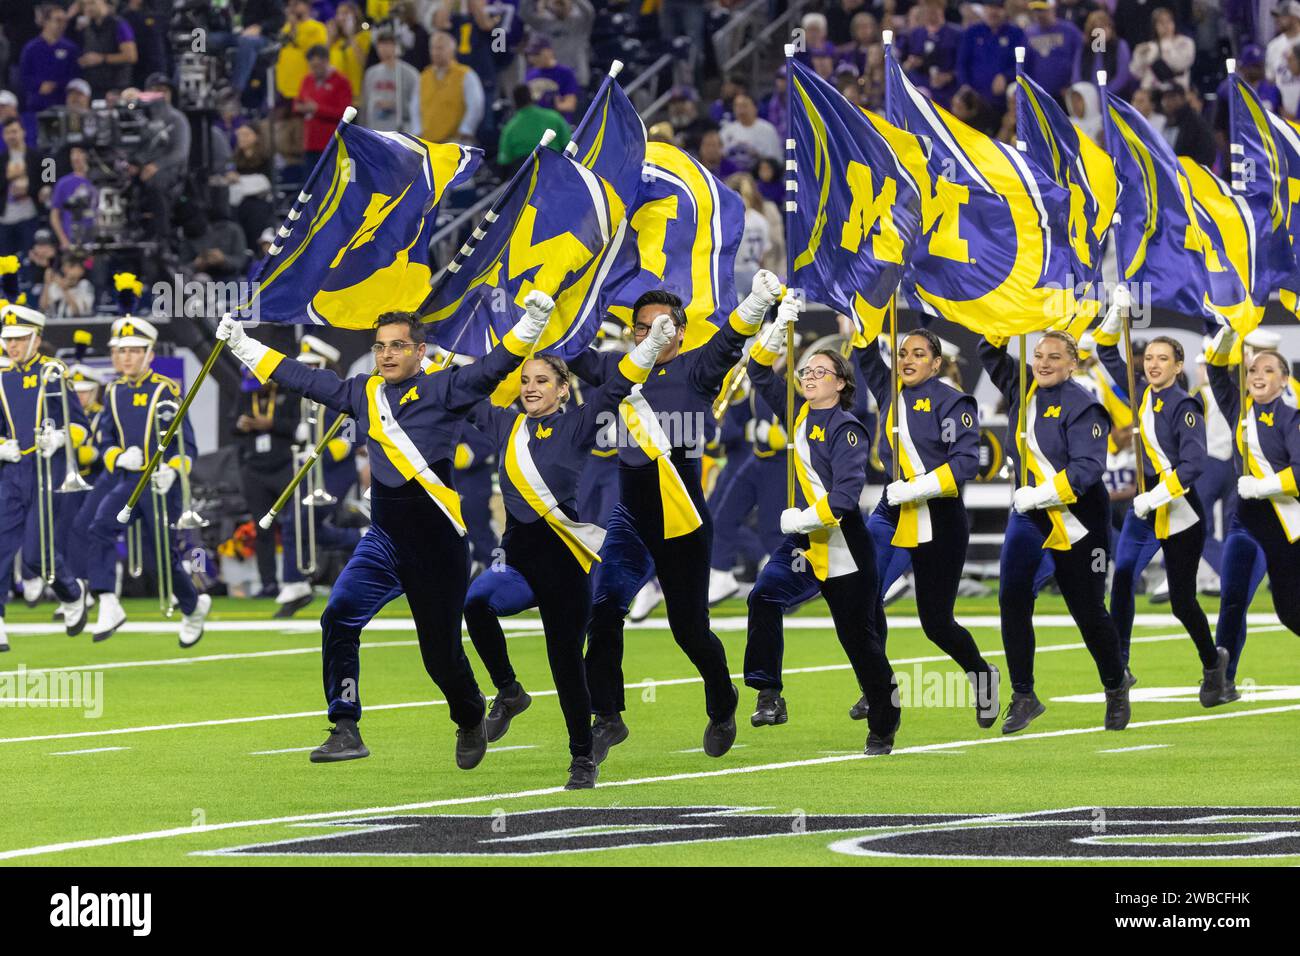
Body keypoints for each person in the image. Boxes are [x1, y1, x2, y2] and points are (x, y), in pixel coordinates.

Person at [215, 291, 555, 767]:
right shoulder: (363, 391)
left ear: (420, 351)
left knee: (439, 657)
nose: (386, 355)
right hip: (384, 540)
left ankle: (472, 712)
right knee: (337, 616)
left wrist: (532, 324)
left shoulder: (446, 387)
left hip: (436, 544)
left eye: (397, 346)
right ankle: (345, 724)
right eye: (379, 346)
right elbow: (305, 379)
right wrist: (243, 346)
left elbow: (492, 369)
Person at [570, 271, 783, 765]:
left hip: (681, 514)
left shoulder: (695, 369)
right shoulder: (615, 369)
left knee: (689, 630)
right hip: (629, 514)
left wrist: (754, 301)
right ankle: (609, 716)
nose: (650, 334)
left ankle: (722, 703)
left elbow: (731, 338)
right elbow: (570, 348)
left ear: (682, 332)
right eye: (641, 327)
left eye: (661, 325)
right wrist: (540, 303)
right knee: (603, 614)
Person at [462, 313, 676, 790]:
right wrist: (441, 353)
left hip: (566, 566)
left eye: (542, 381)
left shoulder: (579, 423)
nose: (531, 387)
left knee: (565, 664)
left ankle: (582, 758)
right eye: (525, 380)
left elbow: (618, 384)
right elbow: (465, 394)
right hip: (517, 563)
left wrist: (650, 345)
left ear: (562, 389)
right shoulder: (506, 426)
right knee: (476, 604)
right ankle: (510, 691)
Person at [742, 300, 902, 753]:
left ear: (841, 382)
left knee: (858, 639)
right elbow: (756, 372)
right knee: (763, 595)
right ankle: (768, 692)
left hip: (843, 542)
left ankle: (884, 722)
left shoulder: (847, 426)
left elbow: (846, 498)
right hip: (804, 541)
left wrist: (801, 517)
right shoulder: (796, 411)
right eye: (804, 371)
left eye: (819, 371)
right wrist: (777, 327)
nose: (808, 376)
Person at [978, 329, 1131, 734]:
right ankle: (1024, 694)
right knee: (1011, 596)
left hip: (1078, 518)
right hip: (1030, 515)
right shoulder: (1021, 385)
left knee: (1087, 609)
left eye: (1054, 357)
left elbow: (1087, 469)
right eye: (1039, 355)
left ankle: (1115, 686)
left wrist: (1041, 493)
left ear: (1073, 363)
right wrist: (1004, 318)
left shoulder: (1085, 406)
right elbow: (988, 352)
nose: (1043, 363)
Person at [855, 328, 1001, 728]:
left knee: (936, 623)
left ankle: (982, 674)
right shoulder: (889, 393)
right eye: (903, 352)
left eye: (919, 353)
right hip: (892, 509)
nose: (908, 359)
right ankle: (877, 686)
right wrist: (861, 311)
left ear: (937, 363)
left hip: (938, 514)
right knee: (863, 600)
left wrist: (919, 487)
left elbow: (966, 463)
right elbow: (864, 349)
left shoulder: (954, 402)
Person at [1093, 293, 1224, 702]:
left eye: (1162, 359)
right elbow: (1104, 350)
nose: (1152, 364)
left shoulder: (1185, 405)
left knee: (1182, 602)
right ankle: (1121, 665)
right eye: (1149, 357)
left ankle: (1211, 662)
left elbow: (1193, 466)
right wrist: (1116, 314)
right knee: (1125, 574)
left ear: (1178, 366)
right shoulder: (1141, 392)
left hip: (1180, 510)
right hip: (1145, 506)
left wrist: (1154, 498)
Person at [84, 313, 211, 646]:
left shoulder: (166, 390)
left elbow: (188, 445)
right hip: (127, 481)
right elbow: (104, 439)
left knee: (161, 558)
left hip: (159, 486)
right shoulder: (111, 392)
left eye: (134, 350)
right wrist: (116, 456)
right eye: (120, 351)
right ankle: (108, 602)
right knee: (99, 528)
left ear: (149, 354)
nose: (126, 357)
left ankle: (192, 606)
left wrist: (171, 469)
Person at [1206, 327, 1300, 701]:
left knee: (1290, 613)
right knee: (1232, 598)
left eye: (1269, 370)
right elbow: (1216, 370)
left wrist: (1263, 486)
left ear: (1284, 379)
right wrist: (1227, 334)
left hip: (1286, 524)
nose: (1259, 376)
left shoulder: (1292, 418)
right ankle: (1221, 679)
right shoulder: (1237, 409)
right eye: (1254, 369)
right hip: (1246, 522)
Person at [0, 301, 90, 652]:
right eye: (9, 339)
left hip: (46, 470)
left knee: (37, 556)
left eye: (20, 339)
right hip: (10, 472)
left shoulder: (54, 371)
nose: (13, 346)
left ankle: (71, 592)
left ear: (36, 339)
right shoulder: (1, 376)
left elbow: (80, 425)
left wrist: (61, 437)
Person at [275, 335, 362, 618]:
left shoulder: (342, 396)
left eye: (313, 367)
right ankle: (295, 583)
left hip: (336, 474)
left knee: (302, 521)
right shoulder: (308, 400)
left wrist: (319, 451)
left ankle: (296, 582)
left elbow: (351, 438)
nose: (306, 373)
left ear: (326, 366)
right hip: (313, 472)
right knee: (297, 523)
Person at [411, 31, 484, 144]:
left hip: (455, 141)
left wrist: (466, 129)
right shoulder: (424, 76)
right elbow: (414, 107)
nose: (435, 52)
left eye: (440, 48)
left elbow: (476, 105)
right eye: (433, 48)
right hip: (428, 142)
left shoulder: (466, 75)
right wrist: (417, 131)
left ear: (452, 50)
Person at [295, 45, 352, 171]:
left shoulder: (341, 82)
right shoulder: (307, 80)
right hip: (310, 143)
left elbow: (345, 113)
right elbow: (297, 103)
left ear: (326, 61)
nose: (314, 70)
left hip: (333, 143)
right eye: (312, 66)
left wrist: (317, 109)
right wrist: (301, 108)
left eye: (318, 66)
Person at [74, 0, 138, 99]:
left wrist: (101, 58)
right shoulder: (88, 27)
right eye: (85, 4)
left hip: (116, 88)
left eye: (92, 3)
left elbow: (131, 56)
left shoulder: (119, 25)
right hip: (94, 87)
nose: (88, 8)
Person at [361, 27, 420, 133]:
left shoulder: (410, 74)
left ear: (396, 46)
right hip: (375, 131)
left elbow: (416, 106)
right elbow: (365, 105)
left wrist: (394, 105)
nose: (384, 48)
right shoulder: (371, 73)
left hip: (400, 132)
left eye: (388, 44)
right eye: (381, 45)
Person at [1131, 7, 1196, 91]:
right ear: (1154, 26)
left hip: (1176, 91)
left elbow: (1180, 64)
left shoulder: (1186, 42)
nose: (1166, 26)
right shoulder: (1149, 46)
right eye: (1161, 22)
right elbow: (1137, 74)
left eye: (1169, 21)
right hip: (1151, 91)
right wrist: (1139, 56)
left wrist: (1165, 44)